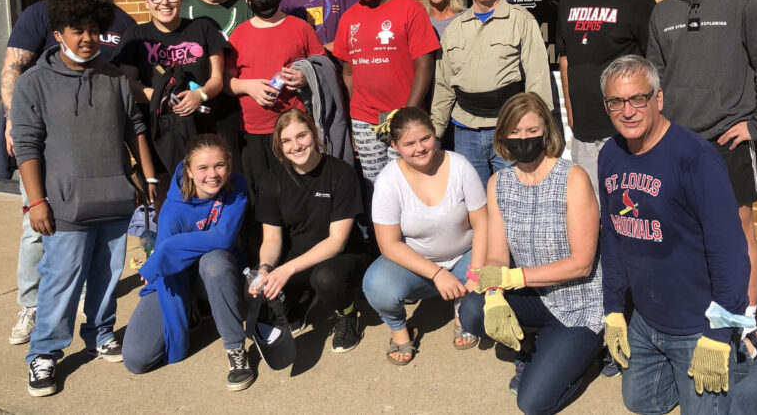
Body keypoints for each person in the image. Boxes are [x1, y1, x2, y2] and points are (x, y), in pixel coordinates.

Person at [597, 55, 757, 414]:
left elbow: (730, 252)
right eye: (616, 101)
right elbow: (613, 238)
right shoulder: (610, 155)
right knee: (642, 403)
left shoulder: (695, 158)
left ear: (659, 99)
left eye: (638, 98)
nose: (628, 111)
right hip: (647, 321)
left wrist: (717, 333)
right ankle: (739, 357)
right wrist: (614, 310)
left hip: (698, 323)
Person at [11, 0, 156, 397]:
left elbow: (134, 129)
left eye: (94, 30)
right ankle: (44, 353)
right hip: (64, 203)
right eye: (78, 30)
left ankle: (100, 331)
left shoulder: (113, 78)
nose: (87, 38)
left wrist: (148, 180)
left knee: (107, 275)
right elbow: (26, 145)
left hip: (114, 195)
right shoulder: (34, 83)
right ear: (59, 33)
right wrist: (36, 201)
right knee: (61, 280)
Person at [645, 0, 757, 323]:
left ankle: (746, 319)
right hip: (679, 141)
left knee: (739, 229)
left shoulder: (743, 1)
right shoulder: (662, 12)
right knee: (687, 230)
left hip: (731, 142)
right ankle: (701, 310)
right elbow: (655, 81)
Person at [1, 0, 136, 346]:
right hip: (48, 153)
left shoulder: (121, 23)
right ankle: (33, 308)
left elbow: (129, 101)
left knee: (100, 258)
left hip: (100, 165)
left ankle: (95, 324)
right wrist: (14, 119)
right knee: (39, 232)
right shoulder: (40, 15)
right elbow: (13, 65)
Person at [458, 92, 602, 415]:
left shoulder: (572, 178)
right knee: (472, 309)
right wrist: (494, 293)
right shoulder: (499, 184)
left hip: (578, 302)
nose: (523, 139)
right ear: (503, 136)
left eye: (532, 131)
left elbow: (582, 263)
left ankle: (586, 355)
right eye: (515, 132)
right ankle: (526, 345)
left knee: (533, 403)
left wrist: (514, 276)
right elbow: (497, 256)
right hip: (532, 295)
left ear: (546, 132)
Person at [122, 134, 253, 391]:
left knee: (215, 260)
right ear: (190, 171)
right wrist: (163, 257)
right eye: (202, 168)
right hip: (176, 277)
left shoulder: (236, 186)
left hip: (217, 274)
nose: (212, 175)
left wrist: (167, 249)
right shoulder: (173, 208)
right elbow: (165, 266)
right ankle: (190, 311)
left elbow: (224, 237)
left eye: (219, 165)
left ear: (229, 164)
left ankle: (235, 348)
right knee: (137, 360)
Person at [361, 107, 487, 365]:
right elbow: (388, 244)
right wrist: (437, 273)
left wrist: (475, 273)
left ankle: (462, 307)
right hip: (418, 263)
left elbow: (483, 223)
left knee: (497, 264)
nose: (420, 148)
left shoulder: (459, 165)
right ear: (395, 145)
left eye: (425, 138)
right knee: (376, 285)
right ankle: (399, 330)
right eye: (409, 143)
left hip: (465, 255)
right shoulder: (388, 181)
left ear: (434, 134)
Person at [250, 109, 375, 353]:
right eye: (286, 141)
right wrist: (265, 269)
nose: (295, 146)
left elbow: (337, 241)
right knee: (256, 287)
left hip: (343, 256)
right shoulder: (270, 180)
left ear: (314, 134)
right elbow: (272, 238)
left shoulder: (341, 173)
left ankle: (347, 312)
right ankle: (301, 300)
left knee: (325, 279)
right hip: (299, 256)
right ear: (279, 145)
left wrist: (286, 269)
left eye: (301, 136)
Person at [431, 0, 552, 186]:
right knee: (475, 201)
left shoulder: (522, 21)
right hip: (465, 130)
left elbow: (537, 77)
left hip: (508, 128)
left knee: (514, 195)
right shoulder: (455, 29)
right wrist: (436, 130)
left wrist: (539, 129)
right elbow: (444, 84)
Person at [556, 0, 655, 198]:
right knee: (589, 209)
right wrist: (571, 111)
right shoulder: (568, 2)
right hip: (584, 131)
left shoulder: (638, 1)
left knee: (629, 205)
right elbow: (565, 60)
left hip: (625, 128)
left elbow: (654, 66)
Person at [333, 0, 440, 183]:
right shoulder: (349, 19)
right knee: (376, 184)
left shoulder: (410, 9)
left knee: (408, 181)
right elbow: (348, 72)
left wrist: (408, 114)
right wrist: (353, 116)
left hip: (404, 115)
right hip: (365, 120)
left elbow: (424, 64)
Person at [114, 0, 228, 186]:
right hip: (158, 137)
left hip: (202, 132)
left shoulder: (203, 29)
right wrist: (160, 97)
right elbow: (127, 83)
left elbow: (217, 79)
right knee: (168, 204)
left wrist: (199, 95)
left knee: (208, 198)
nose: (164, 2)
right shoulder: (135, 35)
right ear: (147, 2)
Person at [226, 0, 322, 197]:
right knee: (261, 194)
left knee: (298, 192)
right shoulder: (239, 34)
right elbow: (226, 81)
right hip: (252, 131)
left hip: (294, 131)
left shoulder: (300, 28)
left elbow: (322, 67)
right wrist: (248, 86)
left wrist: (305, 77)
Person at [180, 0, 251, 166]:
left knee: (235, 166)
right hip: (195, 103)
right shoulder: (183, 8)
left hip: (238, 104)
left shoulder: (245, 6)